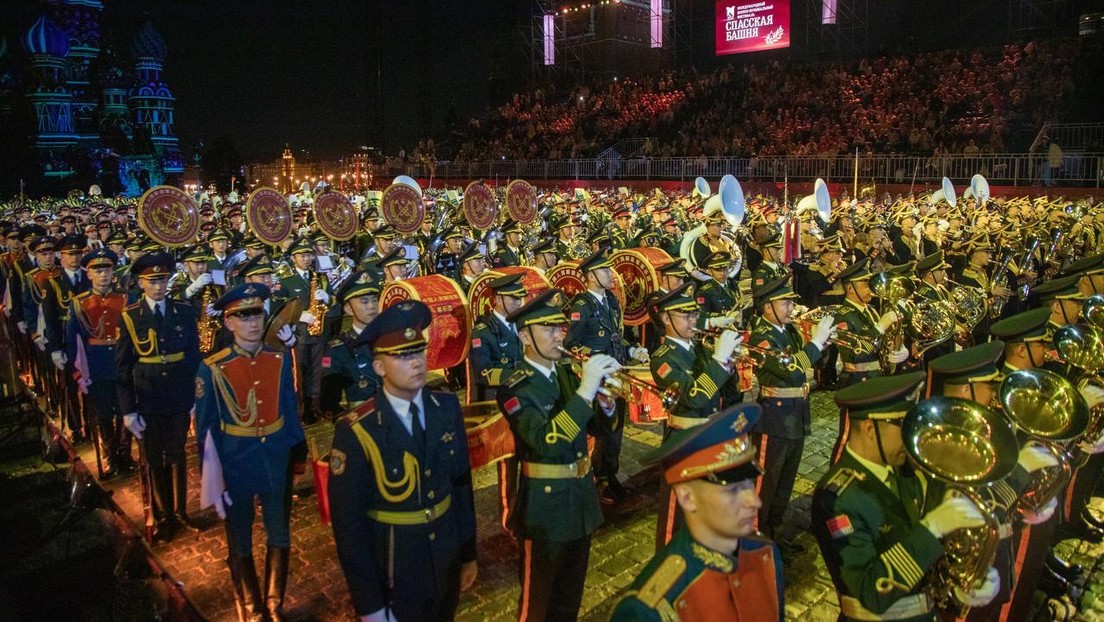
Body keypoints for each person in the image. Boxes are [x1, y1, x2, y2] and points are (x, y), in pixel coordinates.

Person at [329, 300, 478, 622]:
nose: (417, 363)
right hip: (397, 570)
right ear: (379, 366)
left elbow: (461, 485)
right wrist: (370, 606)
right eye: (403, 355)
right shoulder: (357, 430)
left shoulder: (446, 407)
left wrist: (468, 554)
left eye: (419, 351)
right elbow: (349, 527)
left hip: (446, 559)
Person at [812, 372, 1000, 621]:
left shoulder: (905, 472)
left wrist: (967, 577)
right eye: (904, 426)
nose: (913, 437)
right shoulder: (836, 498)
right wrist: (931, 529)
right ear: (870, 429)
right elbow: (872, 591)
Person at [496, 288, 614, 622]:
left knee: (568, 601)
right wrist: (585, 392)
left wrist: (605, 405)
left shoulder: (564, 374)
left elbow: (592, 430)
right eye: (547, 328)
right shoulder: (516, 387)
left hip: (580, 502)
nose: (558, 334)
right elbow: (547, 440)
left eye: (560, 327)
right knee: (538, 605)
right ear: (524, 336)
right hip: (545, 510)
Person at [610, 403, 784, 621]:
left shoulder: (765, 554)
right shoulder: (651, 608)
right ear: (687, 497)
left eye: (749, 484)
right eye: (733, 490)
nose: (754, 501)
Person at [194, 283, 305, 622]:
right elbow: (205, 429)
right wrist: (212, 478)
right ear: (228, 323)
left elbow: (288, 407)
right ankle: (251, 606)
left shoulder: (279, 359)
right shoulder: (212, 367)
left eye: (257, 314)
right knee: (240, 537)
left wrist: (296, 451)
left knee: (279, 531)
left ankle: (274, 603)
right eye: (242, 316)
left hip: (274, 456)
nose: (253, 323)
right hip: (234, 461)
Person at [117, 251, 202, 542]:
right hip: (148, 397)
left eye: (162, 279)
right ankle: (163, 514)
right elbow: (123, 368)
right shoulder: (130, 316)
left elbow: (194, 359)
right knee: (154, 457)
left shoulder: (185, 312)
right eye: (152, 281)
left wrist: (194, 398)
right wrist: (128, 411)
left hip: (178, 394)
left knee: (177, 453)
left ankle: (180, 512)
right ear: (141, 283)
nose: (158, 286)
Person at [566, 249, 648, 504]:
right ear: (590, 276)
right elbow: (571, 344)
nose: (610, 275)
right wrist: (598, 358)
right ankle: (600, 481)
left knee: (616, 429)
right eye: (604, 271)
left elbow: (615, 336)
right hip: (597, 377)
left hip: (617, 373)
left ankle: (609, 474)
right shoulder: (582, 306)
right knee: (603, 430)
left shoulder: (611, 300)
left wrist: (631, 349)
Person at [66, 248, 130, 478]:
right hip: (96, 363)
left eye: (107, 269)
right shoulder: (79, 303)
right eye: (97, 270)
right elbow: (73, 341)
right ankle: (110, 456)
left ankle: (124, 454)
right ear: (89, 274)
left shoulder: (125, 297)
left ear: (114, 272)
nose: (103, 275)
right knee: (103, 414)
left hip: (122, 361)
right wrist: (77, 372)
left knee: (125, 410)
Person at [319, 270, 383, 417]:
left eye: (374, 300)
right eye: (364, 302)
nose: (372, 306)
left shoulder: (390, 339)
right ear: (348, 309)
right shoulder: (336, 350)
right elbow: (329, 404)